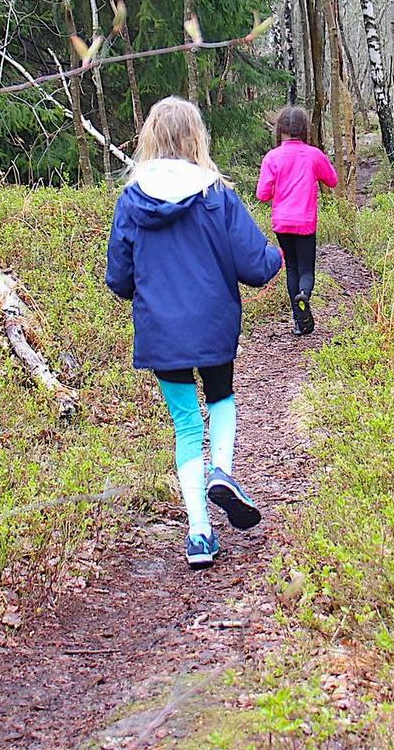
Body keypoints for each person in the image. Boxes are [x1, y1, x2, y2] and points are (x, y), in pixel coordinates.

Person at [105, 96, 282, 570]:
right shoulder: (215, 194)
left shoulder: (131, 199)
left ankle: (200, 534)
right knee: (221, 396)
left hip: (162, 333)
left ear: (150, 138)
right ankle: (222, 471)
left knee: (186, 425)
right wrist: (277, 255)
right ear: (195, 138)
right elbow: (254, 264)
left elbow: (119, 278)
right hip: (213, 323)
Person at [255, 105, 339, 336]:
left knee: (291, 267)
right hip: (305, 223)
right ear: (304, 129)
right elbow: (332, 180)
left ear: (280, 129)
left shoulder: (272, 157)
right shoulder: (314, 155)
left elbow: (262, 194)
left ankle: (298, 322)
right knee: (306, 269)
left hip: (282, 223)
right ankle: (305, 295)